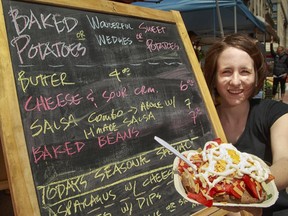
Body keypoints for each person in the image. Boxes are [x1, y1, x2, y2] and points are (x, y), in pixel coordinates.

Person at [203, 33, 288, 216]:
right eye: (226, 72)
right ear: (213, 79)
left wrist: (247, 192)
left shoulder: (274, 112)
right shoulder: (202, 122)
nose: (235, 81)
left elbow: (285, 161)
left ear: (256, 77)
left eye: (245, 72)